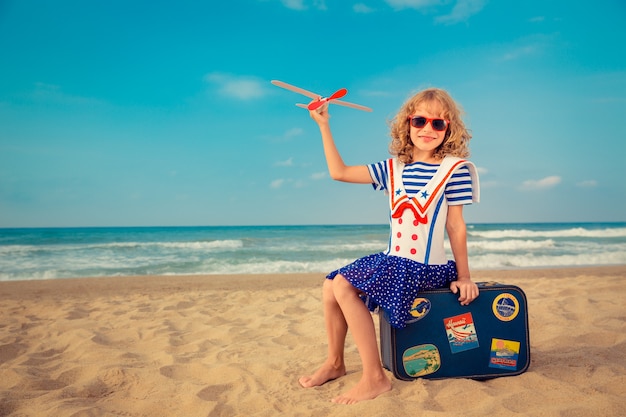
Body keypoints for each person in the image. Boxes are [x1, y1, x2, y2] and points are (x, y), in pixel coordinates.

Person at [298, 88, 481, 404]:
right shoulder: (393, 168)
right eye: (420, 120)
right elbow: (338, 172)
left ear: (448, 128)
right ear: (408, 123)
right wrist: (323, 125)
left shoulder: (455, 169)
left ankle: (374, 378)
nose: (427, 129)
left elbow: (455, 226)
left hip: (424, 268)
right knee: (331, 285)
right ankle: (336, 363)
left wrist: (464, 276)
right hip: (393, 259)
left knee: (343, 286)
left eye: (438, 124)